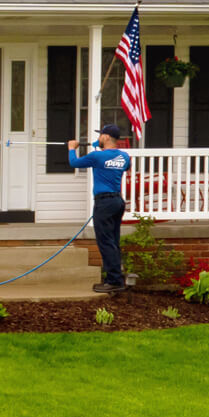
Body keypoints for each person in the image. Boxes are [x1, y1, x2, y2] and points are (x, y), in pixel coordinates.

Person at [69, 124, 132, 293]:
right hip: (118, 202)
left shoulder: (96, 157)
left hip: (104, 203)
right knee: (113, 241)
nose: (98, 138)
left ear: (105, 137)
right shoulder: (124, 156)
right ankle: (116, 278)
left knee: (105, 242)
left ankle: (113, 281)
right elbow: (123, 165)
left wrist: (71, 148)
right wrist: (100, 147)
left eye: (100, 136)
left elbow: (73, 162)